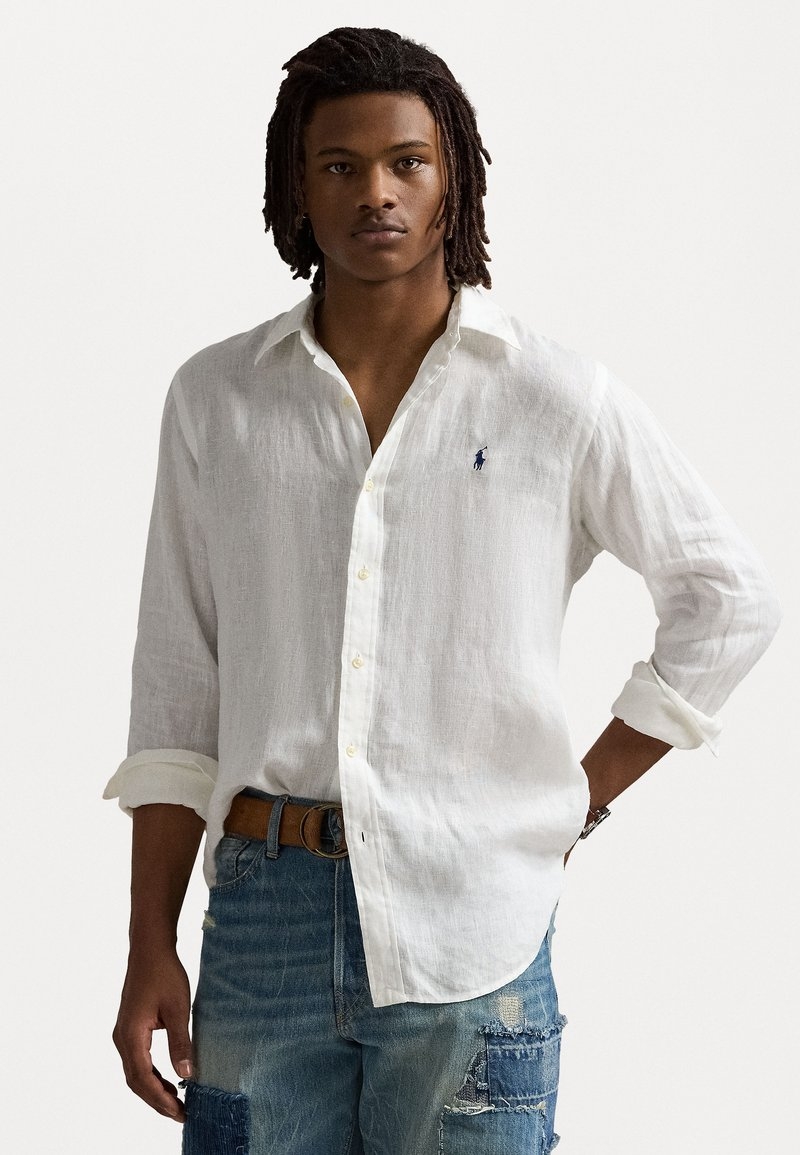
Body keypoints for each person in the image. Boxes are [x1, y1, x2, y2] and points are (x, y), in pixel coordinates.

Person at [105, 26, 781, 1154]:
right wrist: (147, 944)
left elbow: (729, 595)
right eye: (339, 165)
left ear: (450, 178)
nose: (376, 191)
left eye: (406, 162)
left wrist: (578, 796)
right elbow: (177, 693)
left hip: (474, 922)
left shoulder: (552, 396)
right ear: (296, 188)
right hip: (263, 923)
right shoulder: (217, 399)